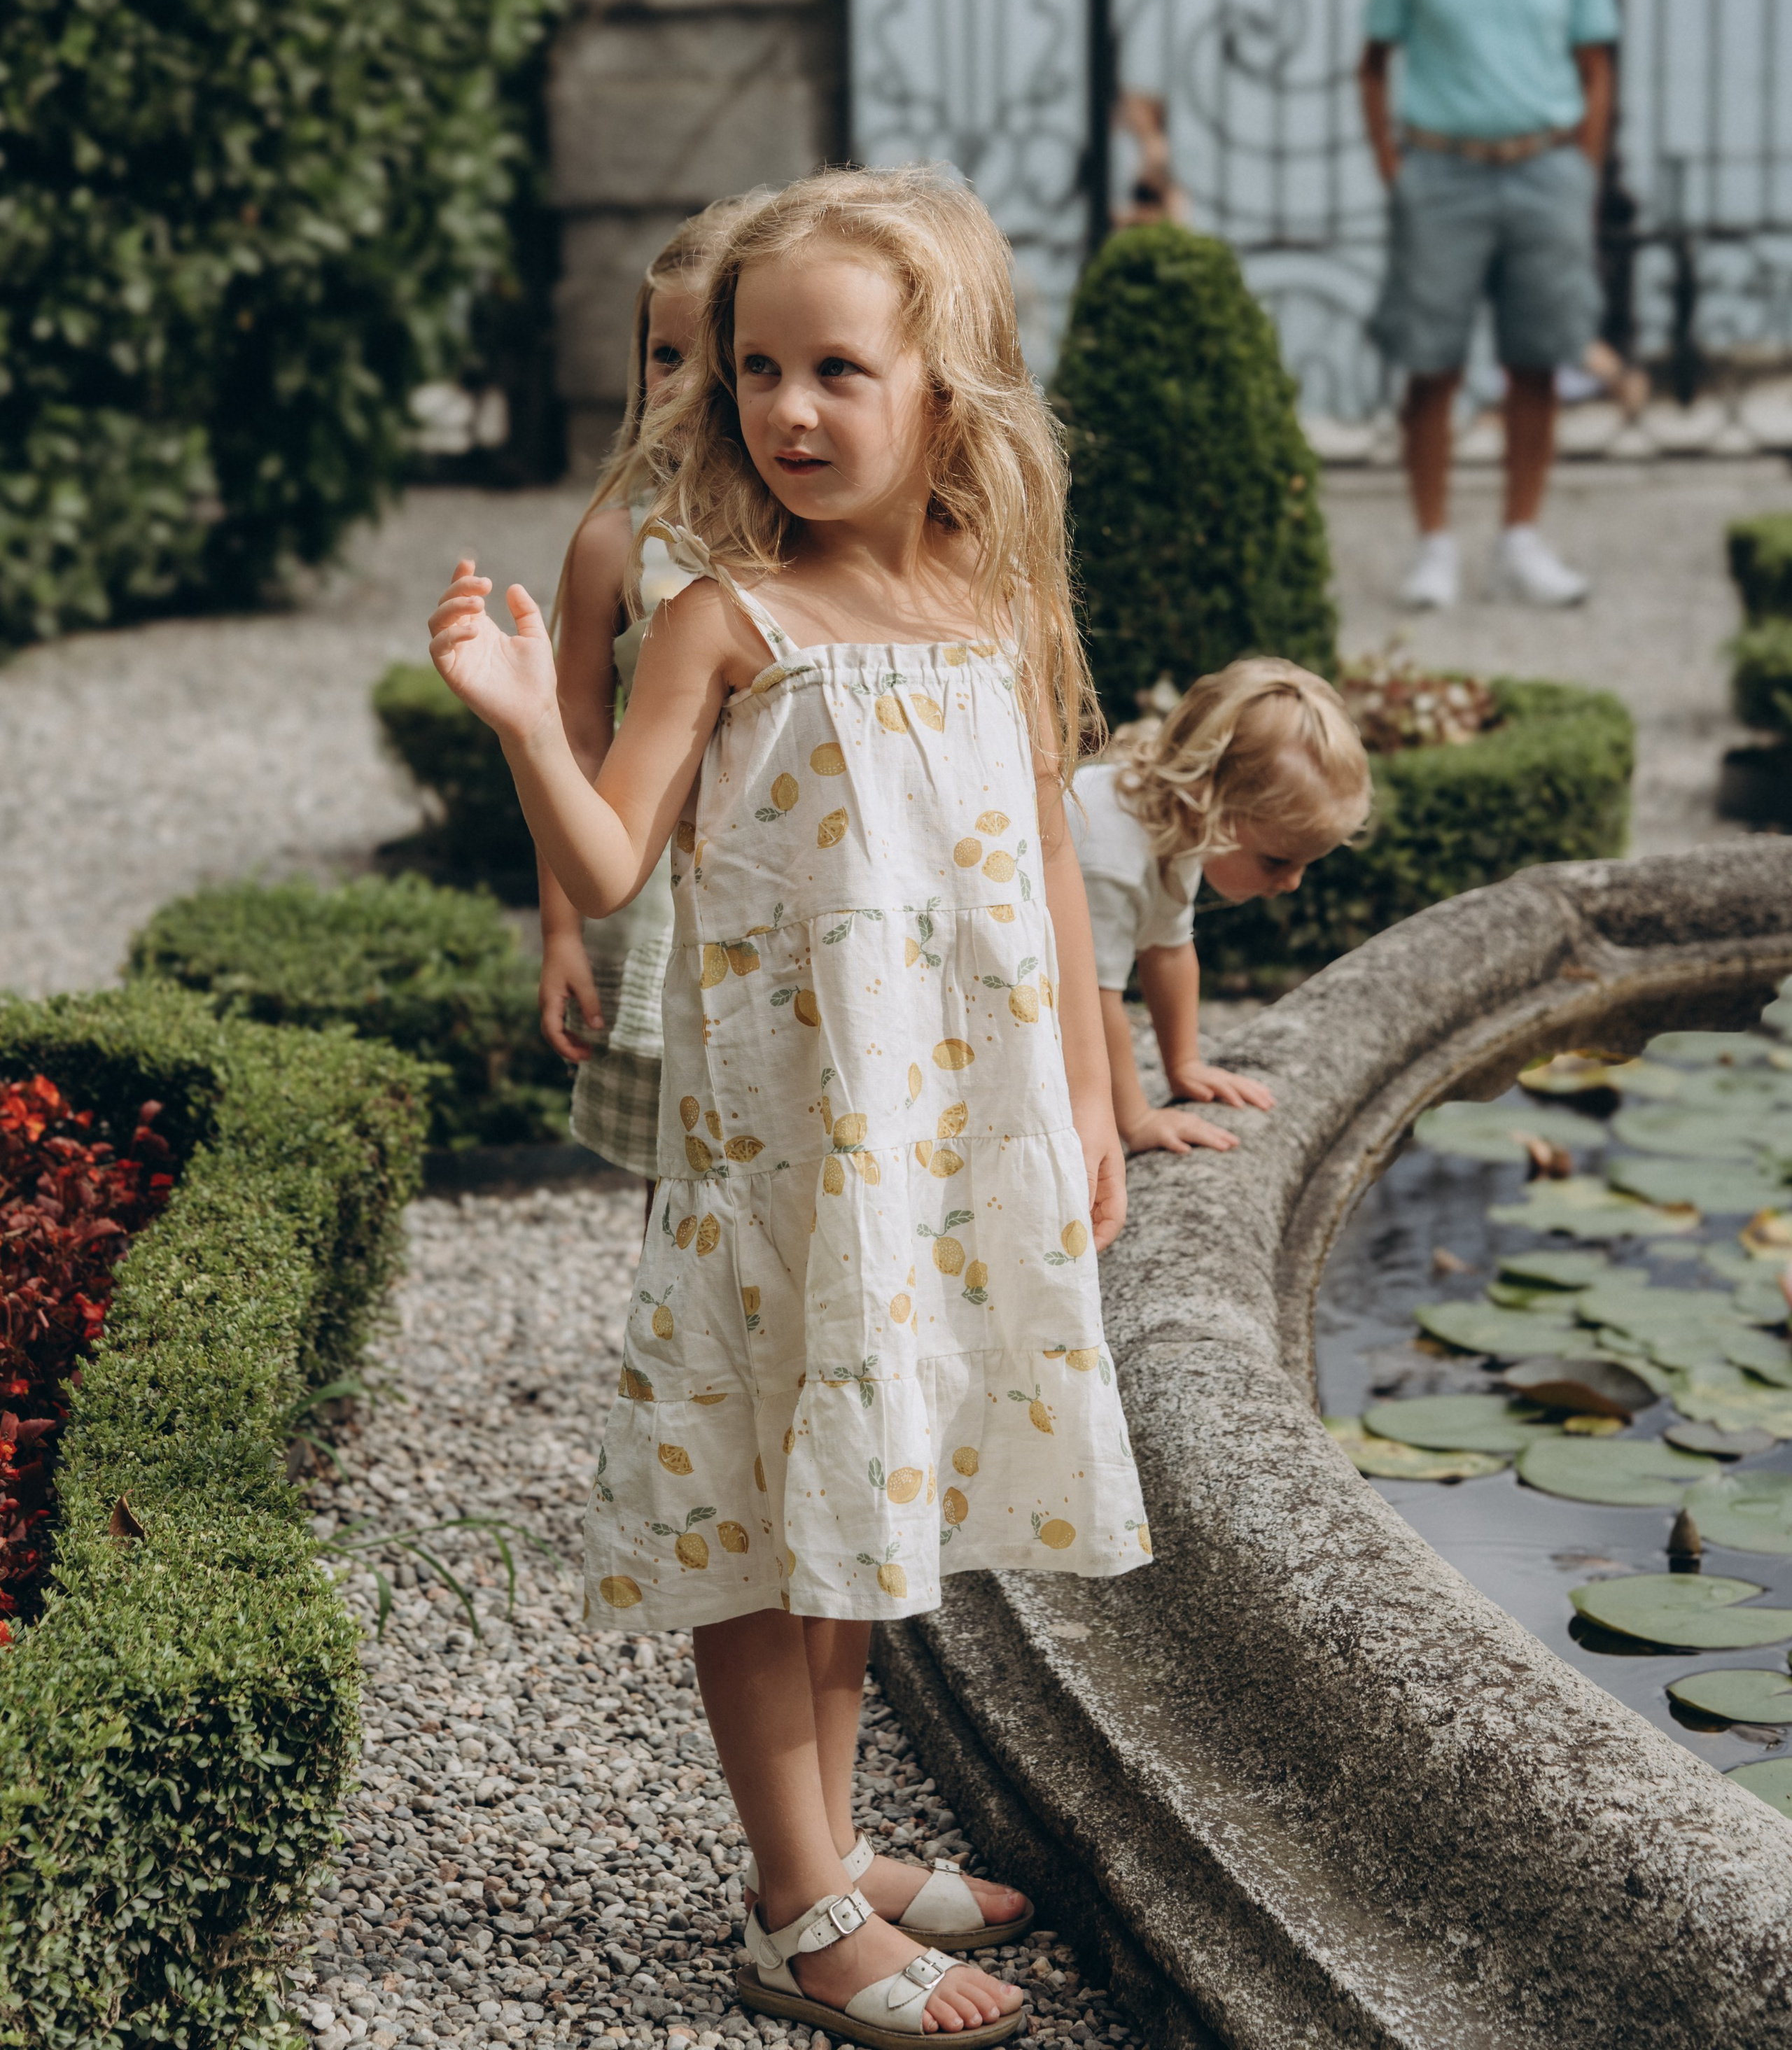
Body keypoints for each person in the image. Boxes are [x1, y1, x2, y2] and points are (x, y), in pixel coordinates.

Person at [428, 164, 1148, 2047]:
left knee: (863, 1493)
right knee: (768, 1515)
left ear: (949, 388)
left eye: (841, 368)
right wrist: (522, 716)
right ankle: (801, 1907)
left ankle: (817, 1849)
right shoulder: (727, 618)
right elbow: (606, 868)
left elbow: (1057, 880)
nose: (791, 411)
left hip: (934, 1153)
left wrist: (1088, 1087)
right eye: (759, 370)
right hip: (788, 1156)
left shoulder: (989, 599)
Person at [539, 197, 767, 1190]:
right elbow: (572, 740)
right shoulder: (614, 543)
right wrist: (559, 932)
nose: (683, 382)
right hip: (666, 905)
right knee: (680, 1176)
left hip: (790, 895)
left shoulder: (813, 536)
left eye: (715, 356)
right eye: (663, 352)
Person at [1358, 0, 1620, 611]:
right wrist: (1395, 173)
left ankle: (1519, 539)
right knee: (1429, 366)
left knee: (1538, 361)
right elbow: (1373, 63)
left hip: (1544, 166)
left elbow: (1596, 64)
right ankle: (1433, 544)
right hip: (1441, 172)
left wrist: (1581, 165)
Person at [1075, 659, 1370, 1156]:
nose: (1293, 883)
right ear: (1205, 801)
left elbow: (1168, 952)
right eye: (1277, 860)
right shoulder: (1109, 858)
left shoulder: (1177, 821)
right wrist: (1137, 1118)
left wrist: (1184, 1065)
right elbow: (1090, 1005)